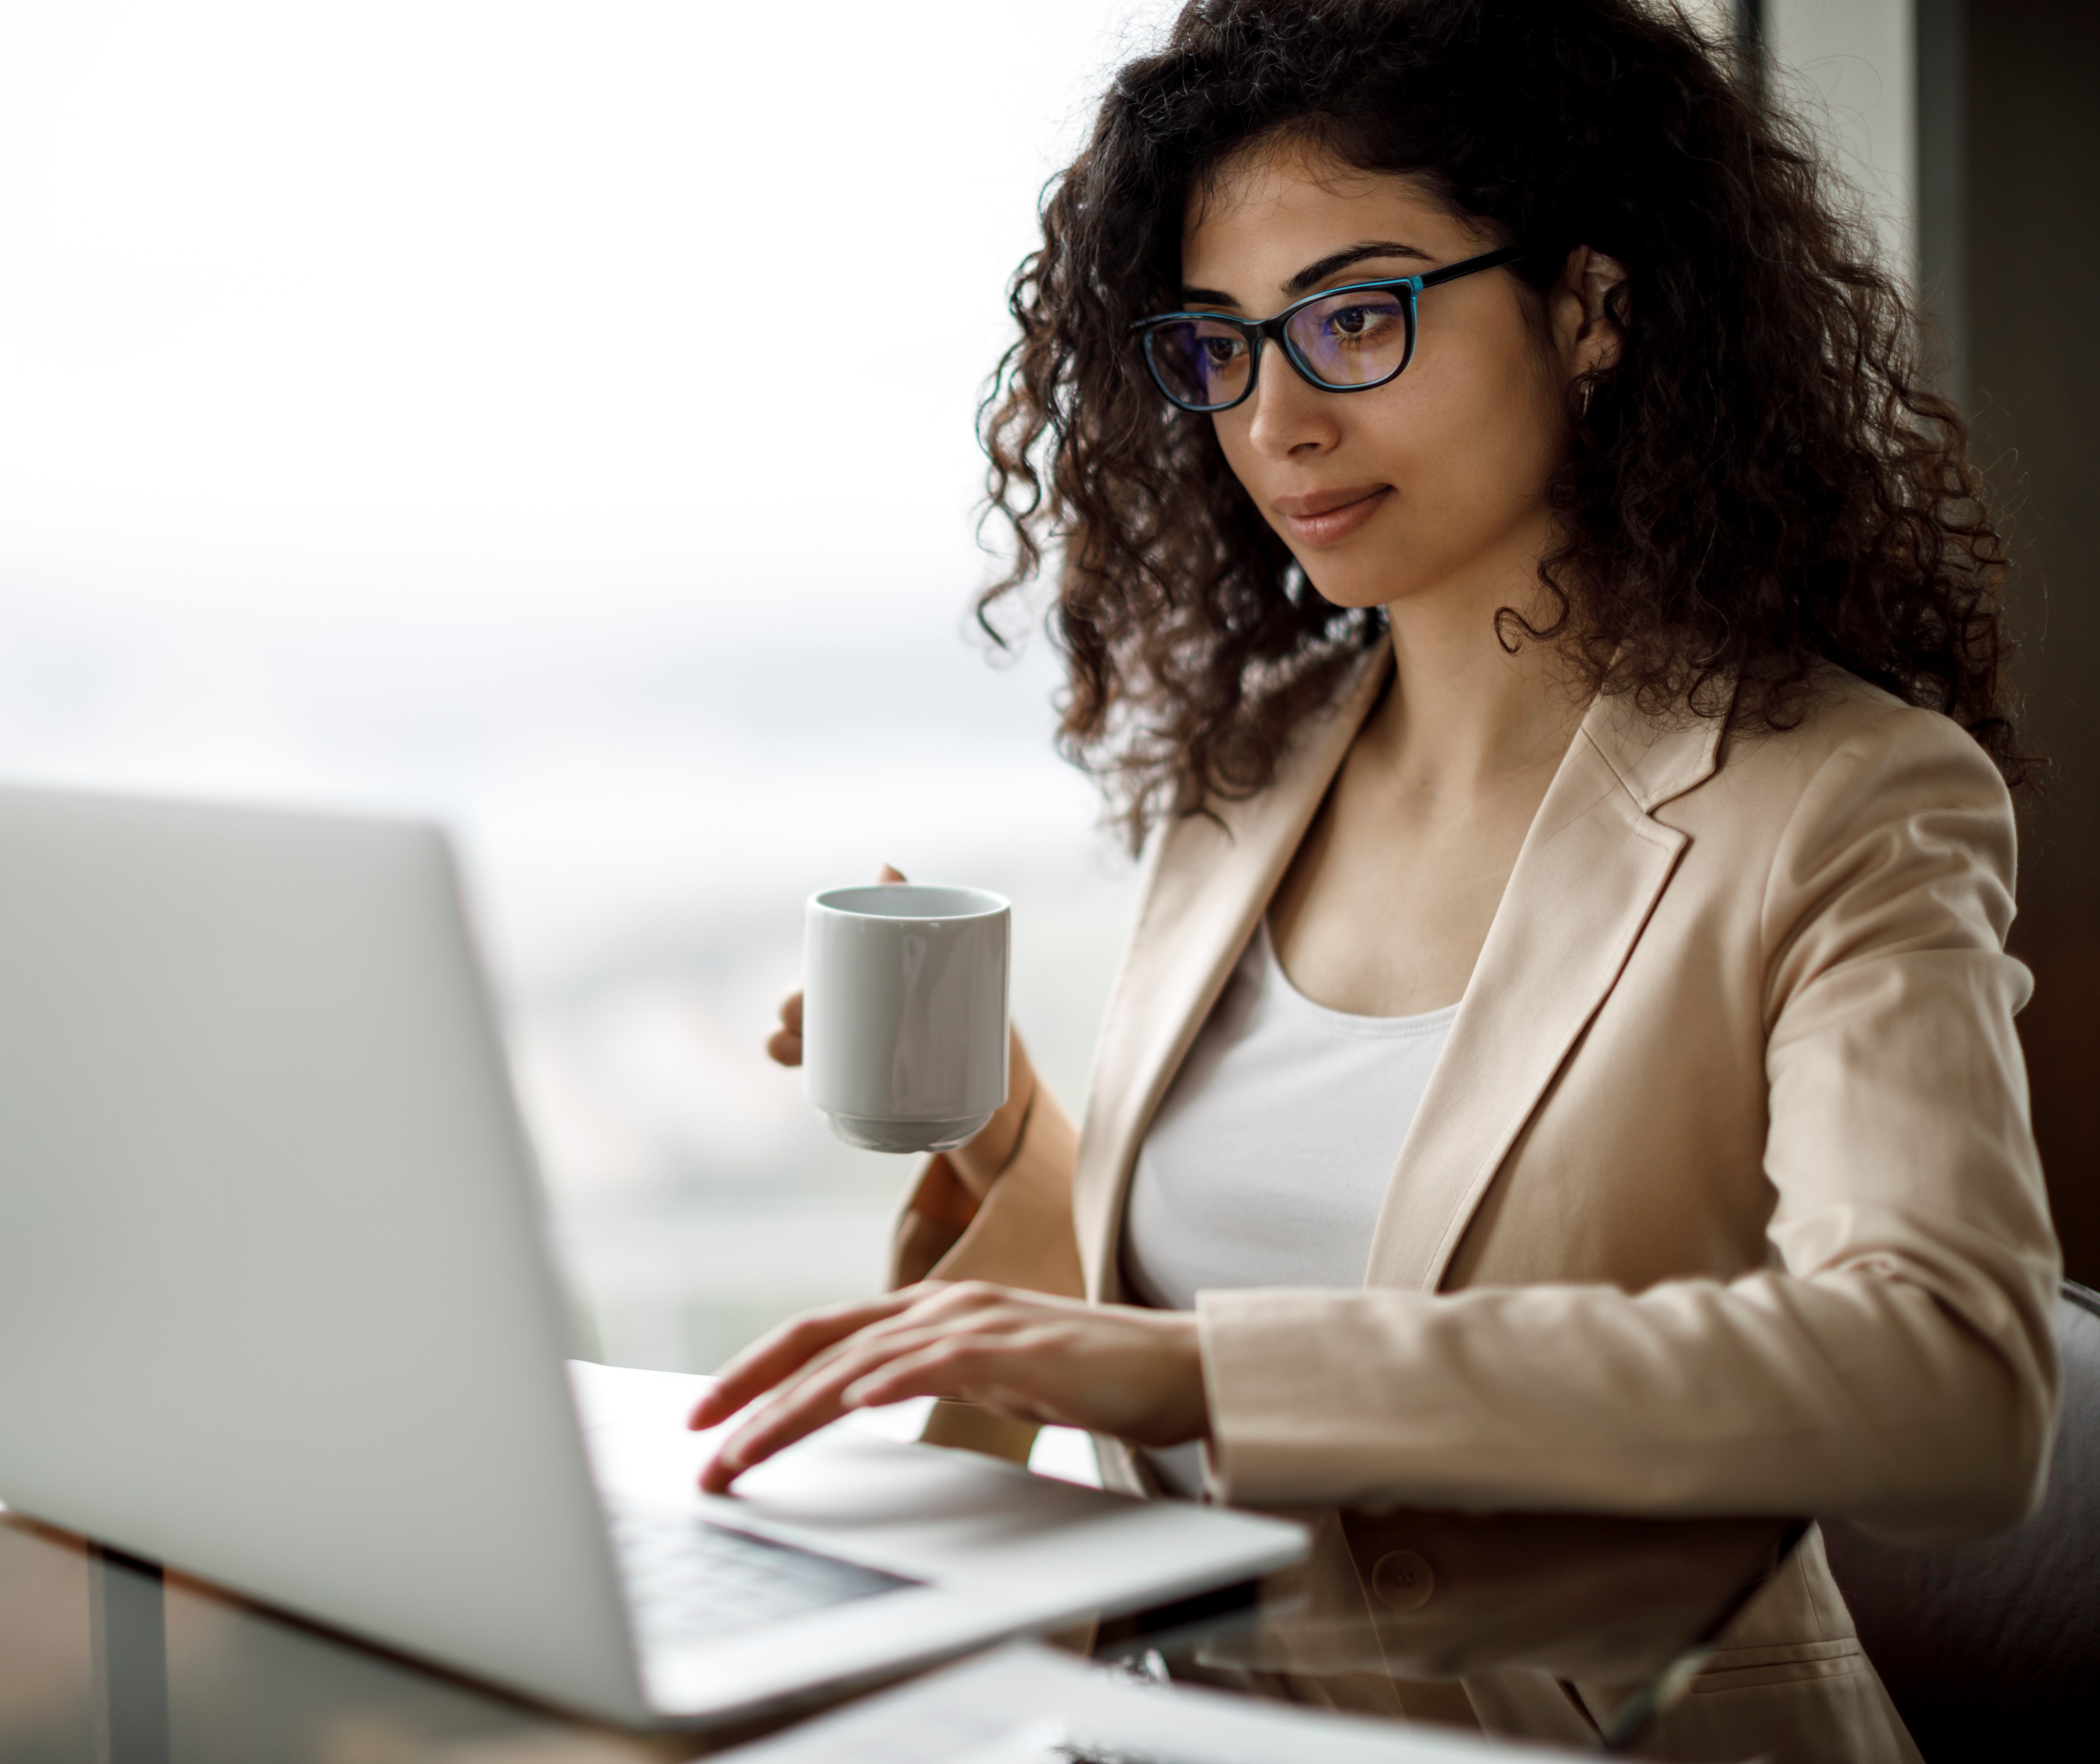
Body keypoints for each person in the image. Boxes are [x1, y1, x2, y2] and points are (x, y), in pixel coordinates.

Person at [685, 1, 2062, 1757]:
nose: (1276, 421)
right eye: (1221, 345)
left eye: (1355, 318)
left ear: (1589, 308)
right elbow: (1237, 1269)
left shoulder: (1843, 803)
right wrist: (1029, 1161)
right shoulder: (1251, 771)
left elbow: (1950, 1387)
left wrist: (1215, 1374)